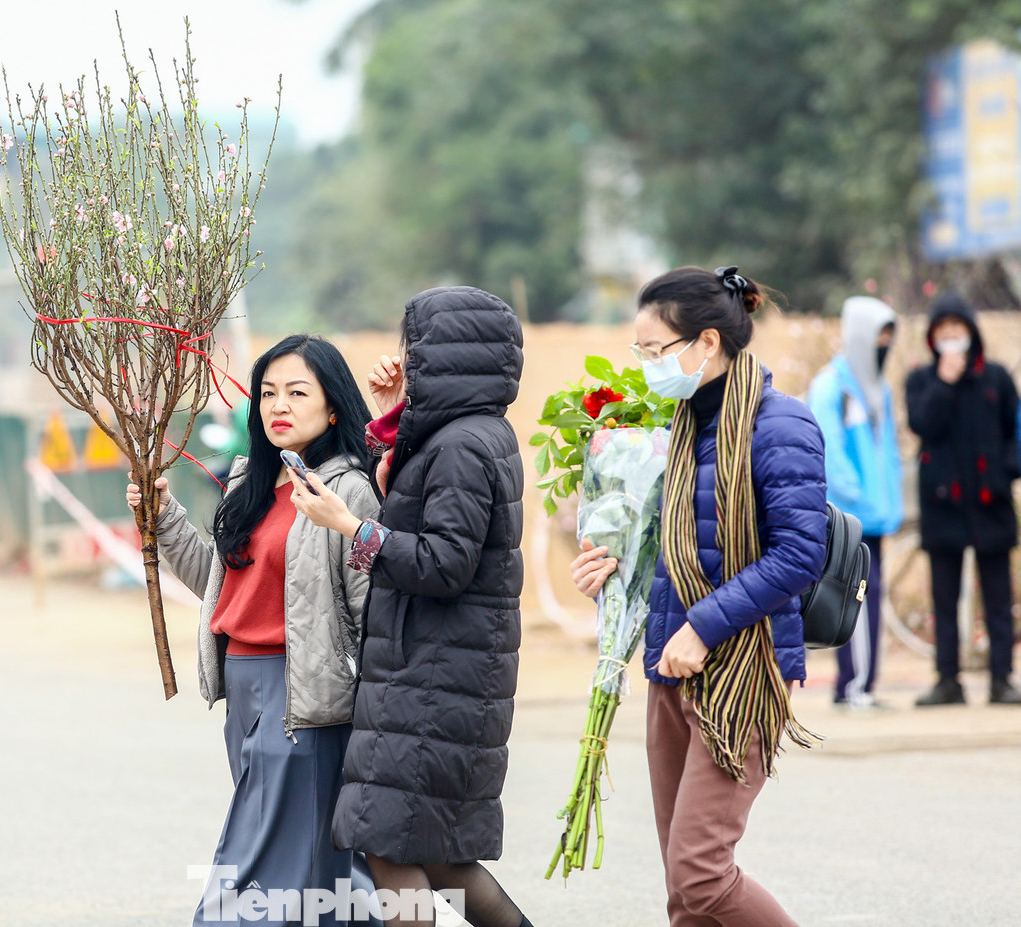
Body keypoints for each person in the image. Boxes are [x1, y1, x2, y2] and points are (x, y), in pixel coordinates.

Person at [572, 266, 827, 926]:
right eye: (640, 351)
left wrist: (704, 626)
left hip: (740, 670)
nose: (647, 365)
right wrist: (610, 569)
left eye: (655, 350)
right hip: (671, 667)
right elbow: (676, 548)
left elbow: (800, 553)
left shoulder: (782, 425)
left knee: (701, 874)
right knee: (683, 894)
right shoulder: (681, 429)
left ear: (707, 342)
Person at [287, 286, 535, 927]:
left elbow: (442, 564)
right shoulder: (471, 434)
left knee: (385, 839)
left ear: (447, 356)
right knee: (440, 856)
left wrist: (350, 526)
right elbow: (415, 504)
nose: (406, 359)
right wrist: (393, 412)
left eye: (415, 348)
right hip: (439, 673)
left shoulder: (461, 446)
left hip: (432, 678)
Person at [126, 334, 381, 926]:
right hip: (242, 690)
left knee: (255, 872)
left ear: (333, 407)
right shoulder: (254, 482)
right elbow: (223, 585)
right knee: (316, 868)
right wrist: (162, 519)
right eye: (267, 393)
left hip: (303, 698)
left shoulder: (345, 491)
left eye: (297, 392)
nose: (278, 406)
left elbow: (370, 610)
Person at [905, 294, 1021, 706]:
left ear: (971, 332)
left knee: (998, 599)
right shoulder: (921, 380)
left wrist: (1006, 470)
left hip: (991, 502)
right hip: (943, 506)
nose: (951, 336)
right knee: (944, 599)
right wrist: (944, 382)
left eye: (958, 328)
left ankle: (1001, 679)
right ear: (932, 337)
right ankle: (947, 680)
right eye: (943, 330)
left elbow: (1015, 430)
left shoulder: (996, 378)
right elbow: (922, 423)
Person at [807, 296, 904, 709]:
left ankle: (859, 686)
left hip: (877, 516)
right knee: (858, 594)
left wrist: (889, 503)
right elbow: (828, 451)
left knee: (868, 596)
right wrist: (856, 496)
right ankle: (854, 686)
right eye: (879, 335)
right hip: (849, 518)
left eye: (889, 336)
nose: (884, 344)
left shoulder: (878, 389)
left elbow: (889, 452)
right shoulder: (832, 386)